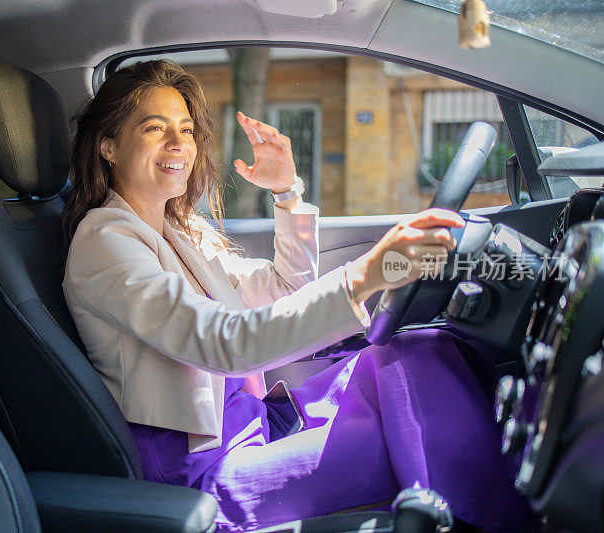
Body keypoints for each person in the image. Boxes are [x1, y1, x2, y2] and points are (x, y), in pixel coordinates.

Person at [61, 59, 531, 532]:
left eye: (185, 129)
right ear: (108, 146)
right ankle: (491, 518)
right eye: (154, 128)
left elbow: (285, 290)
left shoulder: (180, 230)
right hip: (206, 469)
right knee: (413, 435)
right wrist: (368, 272)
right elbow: (225, 343)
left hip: (252, 421)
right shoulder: (106, 241)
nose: (177, 142)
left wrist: (287, 193)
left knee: (422, 352)